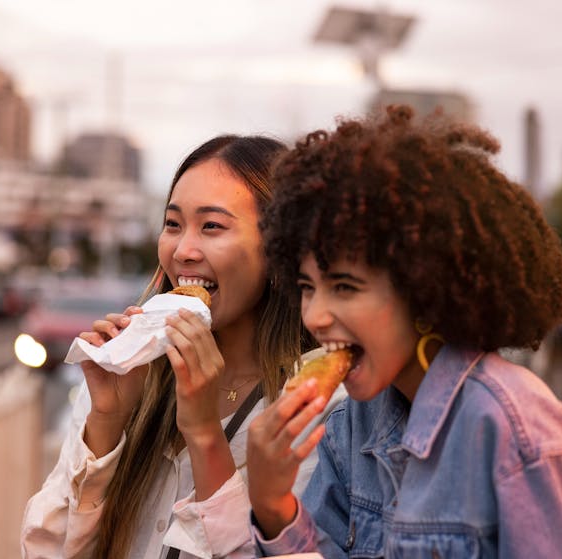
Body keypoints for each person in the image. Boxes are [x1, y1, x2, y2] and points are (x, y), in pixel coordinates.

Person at [246, 106, 562, 558]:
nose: (314, 316)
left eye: (345, 286)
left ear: (425, 287)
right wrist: (274, 508)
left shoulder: (519, 433)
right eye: (307, 287)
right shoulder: (348, 428)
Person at [21, 134, 343, 559]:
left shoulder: (315, 405)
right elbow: (44, 552)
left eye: (212, 226)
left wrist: (206, 432)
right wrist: (107, 420)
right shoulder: (133, 373)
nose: (183, 250)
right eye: (173, 224)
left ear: (279, 252)